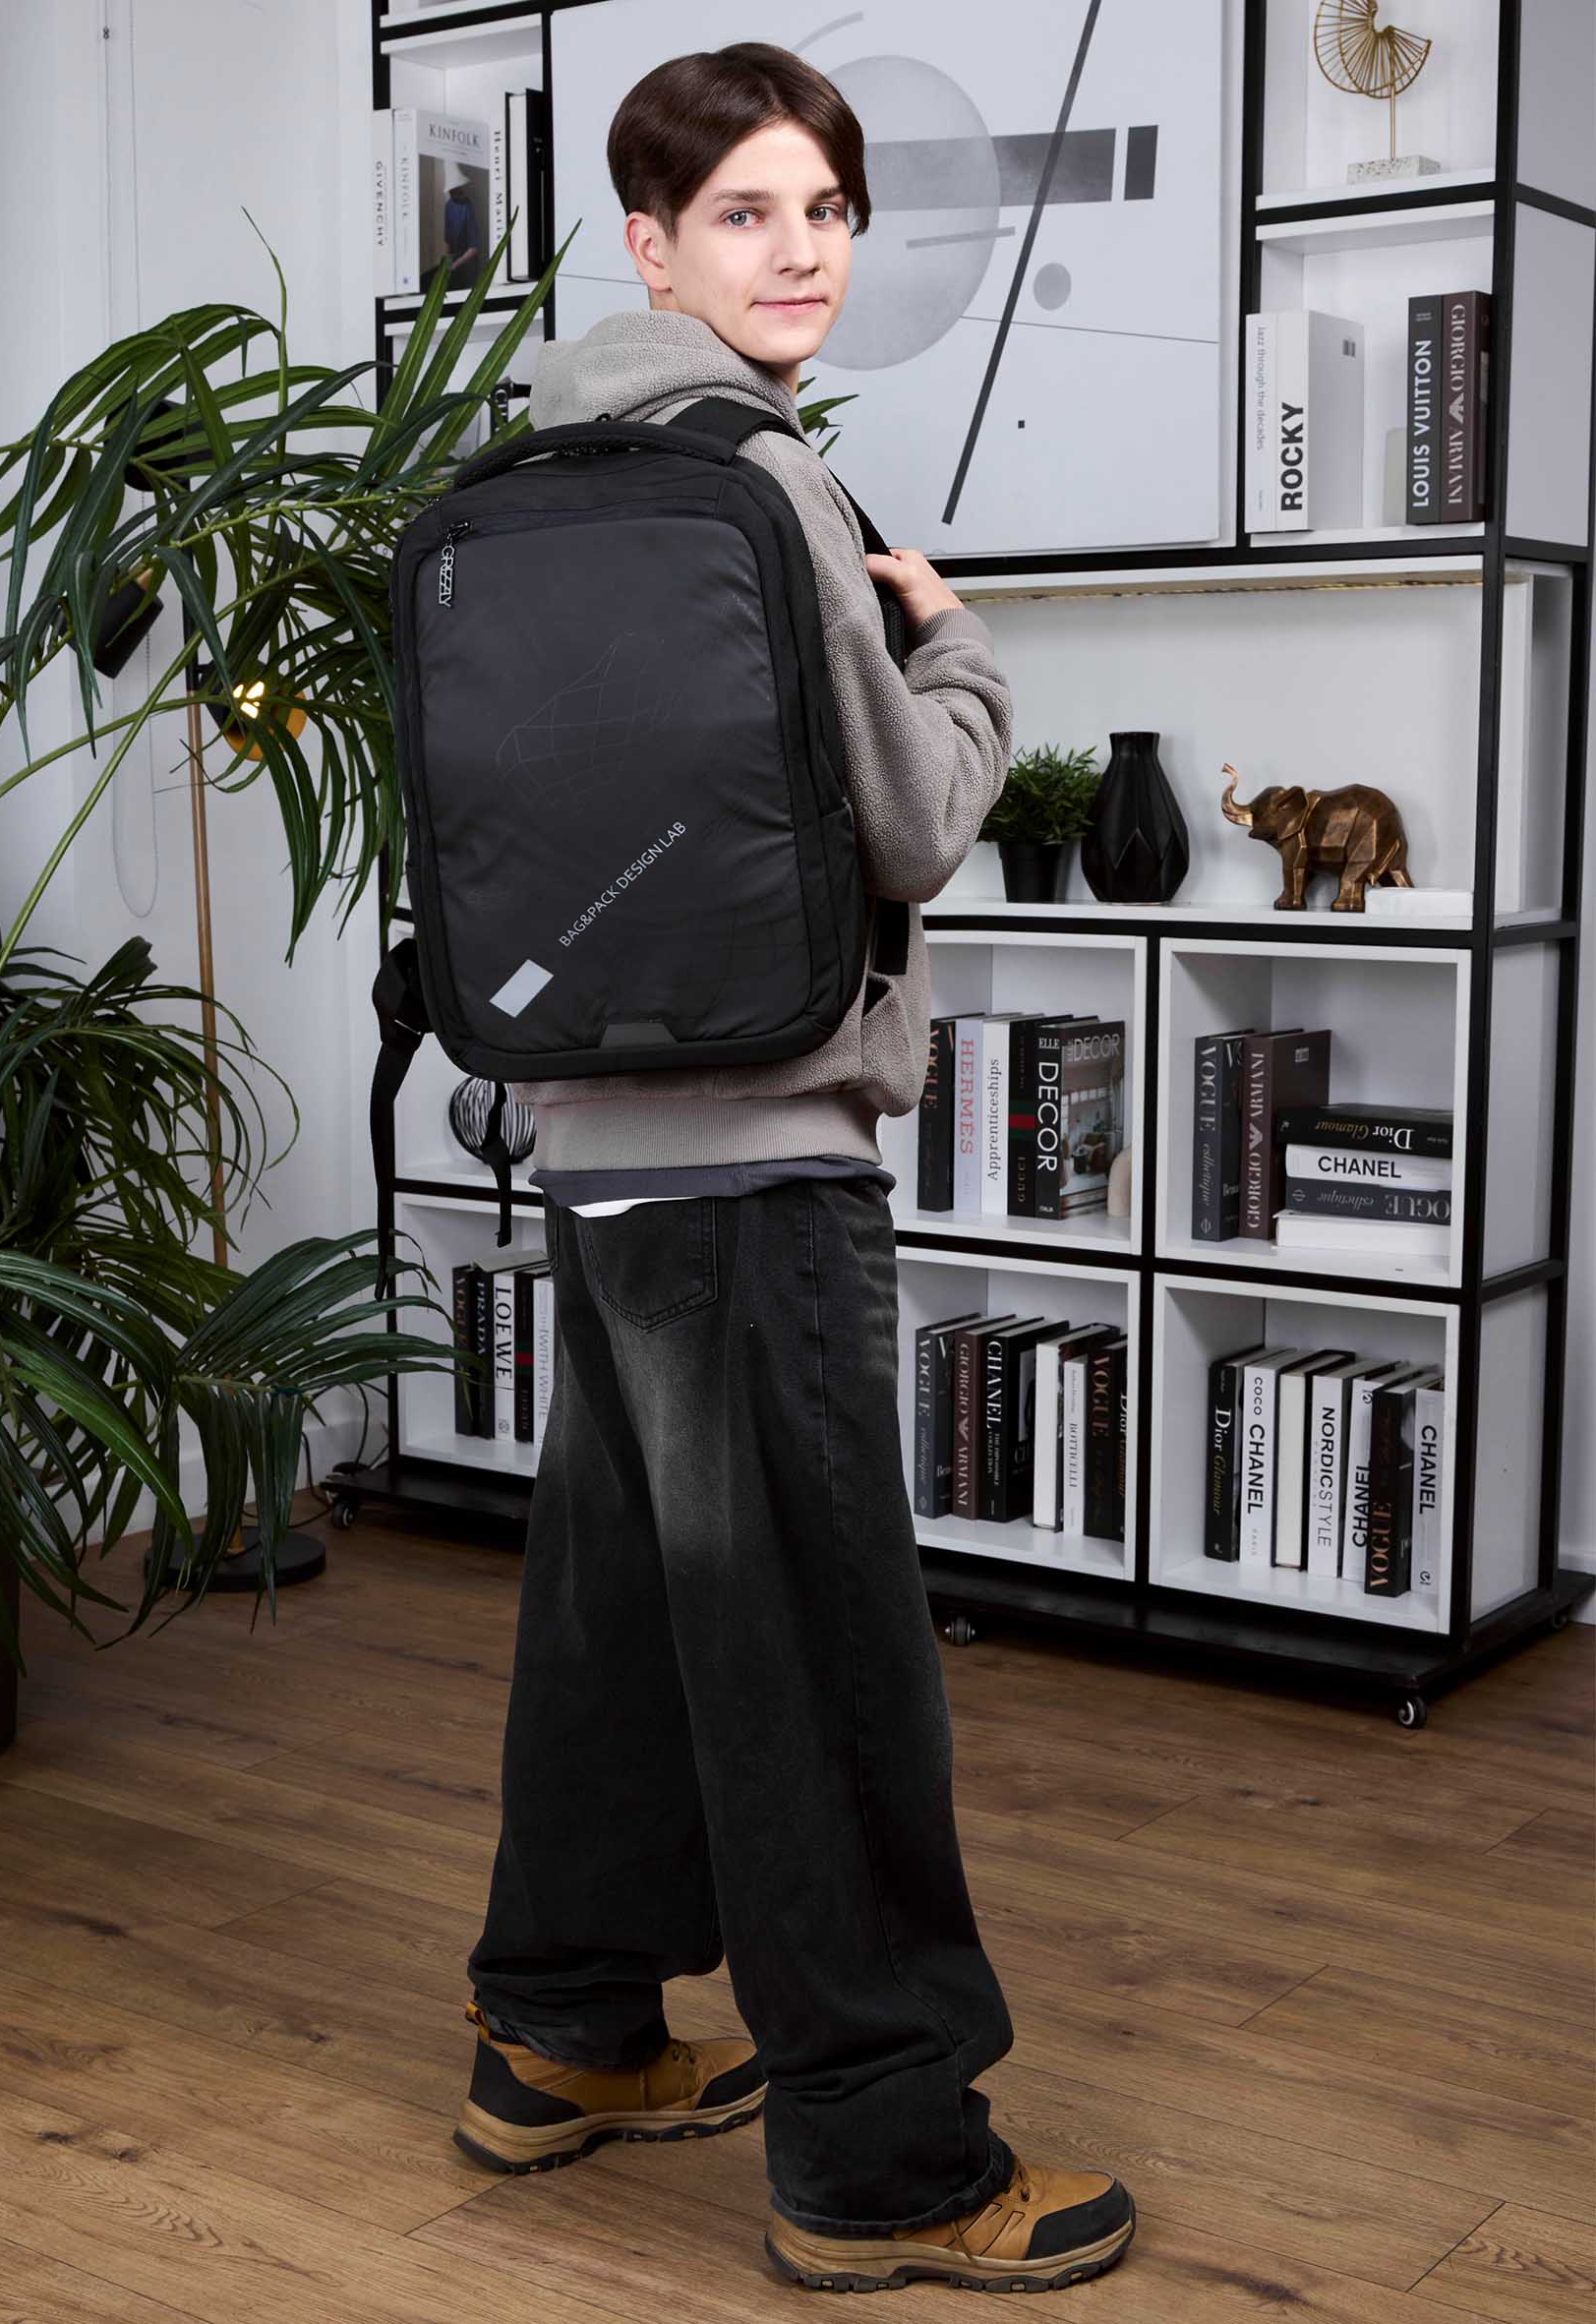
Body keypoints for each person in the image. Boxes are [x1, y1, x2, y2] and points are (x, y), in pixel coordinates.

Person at [455, 40, 1137, 2296]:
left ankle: (561, 2035)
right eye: (746, 212)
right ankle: (885, 2155)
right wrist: (960, 645)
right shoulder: (776, 490)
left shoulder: (518, 478)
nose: (801, 250)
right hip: (759, 1162)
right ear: (650, 245)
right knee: (826, 1662)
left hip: (586, 1140)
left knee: (622, 1613)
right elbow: (916, 824)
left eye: (825, 208)